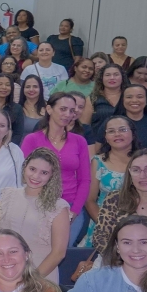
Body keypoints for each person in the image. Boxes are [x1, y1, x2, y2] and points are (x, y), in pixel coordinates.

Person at [22, 92, 91, 243]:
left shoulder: (79, 141)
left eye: (72, 111)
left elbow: (85, 179)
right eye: (63, 109)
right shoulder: (32, 139)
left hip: (69, 206)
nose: (68, 114)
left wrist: (75, 211)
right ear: (49, 109)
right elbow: (24, 177)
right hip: (38, 206)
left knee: (63, 252)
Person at [0, 148, 72, 282]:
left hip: (40, 278)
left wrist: (29, 281)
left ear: (52, 176)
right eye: (32, 169)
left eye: (44, 173)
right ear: (24, 167)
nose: (36, 176)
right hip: (4, 274)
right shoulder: (8, 196)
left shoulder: (59, 207)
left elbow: (58, 253)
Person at [91, 150, 147, 255]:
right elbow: (100, 237)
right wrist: (123, 258)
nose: (143, 175)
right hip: (119, 260)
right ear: (130, 174)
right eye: (136, 170)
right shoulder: (115, 198)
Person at [85, 115, 138, 247]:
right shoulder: (97, 162)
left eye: (122, 130)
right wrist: (108, 226)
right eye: (111, 131)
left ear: (133, 134)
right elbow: (90, 200)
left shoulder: (146, 159)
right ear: (106, 137)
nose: (117, 134)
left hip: (140, 224)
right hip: (104, 224)